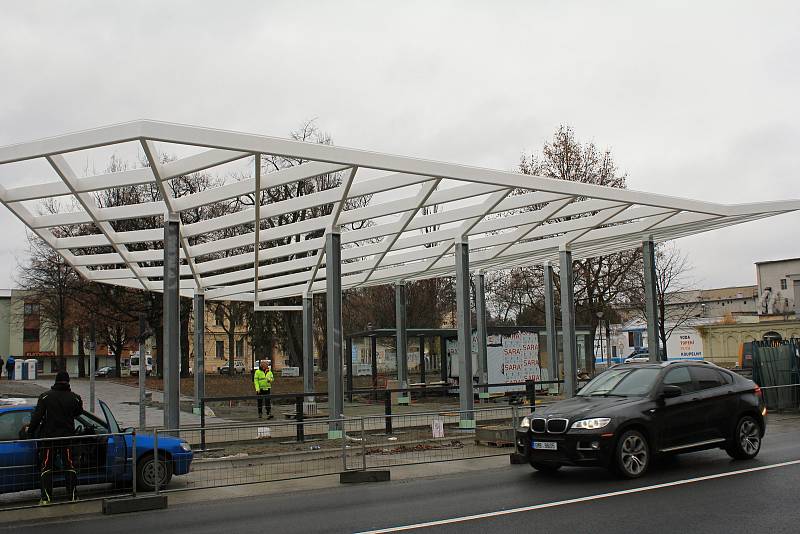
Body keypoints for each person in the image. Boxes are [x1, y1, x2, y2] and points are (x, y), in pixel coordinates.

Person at [25, 371, 83, 505]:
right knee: (69, 465)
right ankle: (73, 496)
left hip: (49, 438)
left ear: (55, 381)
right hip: (67, 438)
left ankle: (46, 498)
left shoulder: (45, 397)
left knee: (46, 466)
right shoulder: (75, 398)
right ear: (68, 381)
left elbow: (37, 417)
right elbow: (78, 412)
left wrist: (30, 433)